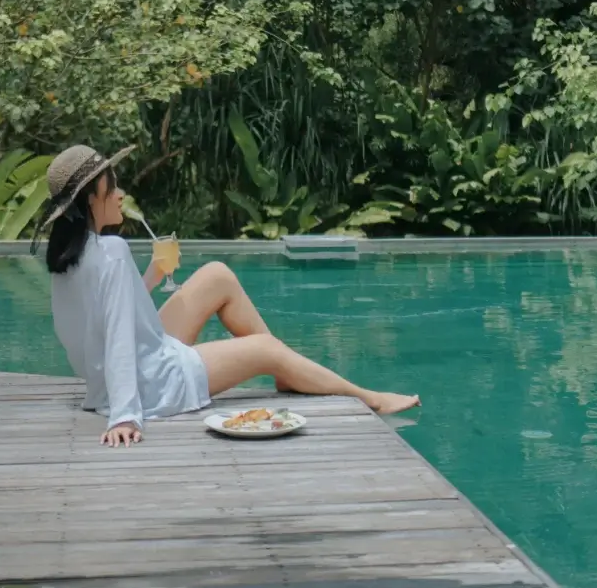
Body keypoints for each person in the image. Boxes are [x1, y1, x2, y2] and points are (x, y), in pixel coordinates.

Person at [35, 144, 421, 448]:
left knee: (217, 275)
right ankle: (369, 397)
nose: (120, 194)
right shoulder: (113, 250)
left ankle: (287, 372)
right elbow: (118, 335)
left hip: (124, 374)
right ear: (91, 197)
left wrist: (150, 278)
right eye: (112, 185)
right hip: (154, 383)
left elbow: (102, 324)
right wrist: (124, 415)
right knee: (266, 349)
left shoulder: (68, 261)